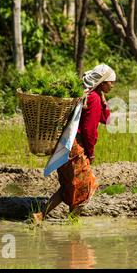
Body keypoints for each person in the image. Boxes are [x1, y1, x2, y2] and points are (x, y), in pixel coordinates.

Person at [32, 64, 116, 223]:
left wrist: (104, 103)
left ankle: (40, 216)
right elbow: (89, 130)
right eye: (111, 82)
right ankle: (73, 223)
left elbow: (105, 119)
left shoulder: (87, 96)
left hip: (63, 144)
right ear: (102, 83)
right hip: (75, 147)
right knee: (86, 185)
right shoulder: (93, 98)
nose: (113, 85)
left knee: (69, 186)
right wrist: (90, 152)